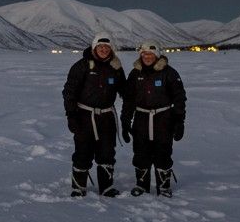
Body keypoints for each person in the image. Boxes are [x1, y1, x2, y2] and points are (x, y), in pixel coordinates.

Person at [62, 34, 128, 197]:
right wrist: (71, 115)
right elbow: (69, 92)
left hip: (106, 117)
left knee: (107, 152)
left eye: (107, 47)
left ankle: (106, 187)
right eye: (100, 47)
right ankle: (78, 188)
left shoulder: (116, 67)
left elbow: (125, 91)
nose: (104, 50)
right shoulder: (81, 66)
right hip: (84, 116)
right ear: (94, 48)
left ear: (111, 49)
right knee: (83, 152)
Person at [121, 41, 187, 197]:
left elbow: (179, 98)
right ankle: (142, 184)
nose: (147, 57)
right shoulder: (135, 73)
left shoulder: (169, 73)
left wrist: (179, 121)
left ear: (157, 55)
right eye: (144, 54)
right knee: (140, 152)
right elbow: (129, 100)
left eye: (150, 54)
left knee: (163, 152)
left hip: (163, 118)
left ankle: (163, 186)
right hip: (141, 118)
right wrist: (125, 121)